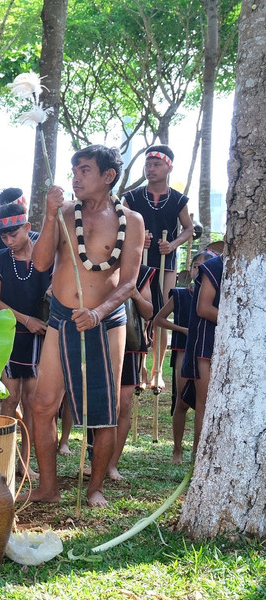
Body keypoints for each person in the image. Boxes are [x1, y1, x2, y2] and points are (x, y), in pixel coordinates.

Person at [25, 145, 144, 508]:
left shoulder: (131, 221)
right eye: (74, 170)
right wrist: (49, 216)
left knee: (104, 411)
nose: (76, 177)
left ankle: (94, 488)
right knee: (43, 404)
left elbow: (129, 281)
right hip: (62, 317)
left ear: (108, 176)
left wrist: (98, 312)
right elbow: (40, 264)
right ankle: (48, 487)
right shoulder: (64, 213)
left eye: (85, 170)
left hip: (107, 321)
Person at [0, 202, 51, 478]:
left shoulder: (47, 256)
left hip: (41, 338)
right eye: (4, 237)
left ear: (27, 227)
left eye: (13, 235)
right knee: (10, 398)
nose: (9, 241)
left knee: (32, 401)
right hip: (9, 335)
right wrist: (26, 320)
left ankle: (25, 462)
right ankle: (3, 460)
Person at [122, 145, 194, 390]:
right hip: (137, 262)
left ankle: (157, 370)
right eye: (148, 164)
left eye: (157, 164)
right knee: (139, 313)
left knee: (160, 314)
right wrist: (138, 238)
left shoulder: (178, 199)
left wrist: (172, 244)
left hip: (166, 264)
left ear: (169, 167)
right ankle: (140, 366)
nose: (150, 169)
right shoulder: (132, 197)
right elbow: (120, 224)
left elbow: (188, 229)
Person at [153, 251, 210, 465]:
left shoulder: (217, 297)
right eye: (195, 266)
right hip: (183, 350)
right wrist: (183, 329)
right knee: (182, 401)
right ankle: (177, 450)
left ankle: (197, 451)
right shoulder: (180, 295)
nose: (198, 271)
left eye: (202, 268)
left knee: (203, 404)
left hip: (205, 352)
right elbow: (158, 320)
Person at [104, 264, 156, 481]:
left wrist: (133, 292)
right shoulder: (96, 266)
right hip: (99, 340)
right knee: (101, 403)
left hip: (129, 344)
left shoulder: (140, 272)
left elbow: (149, 312)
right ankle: (94, 459)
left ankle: (112, 464)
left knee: (123, 404)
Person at [180, 252, 223, 455]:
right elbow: (203, 308)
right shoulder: (214, 267)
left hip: (230, 344)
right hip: (206, 343)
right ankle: (198, 459)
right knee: (204, 405)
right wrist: (239, 319)